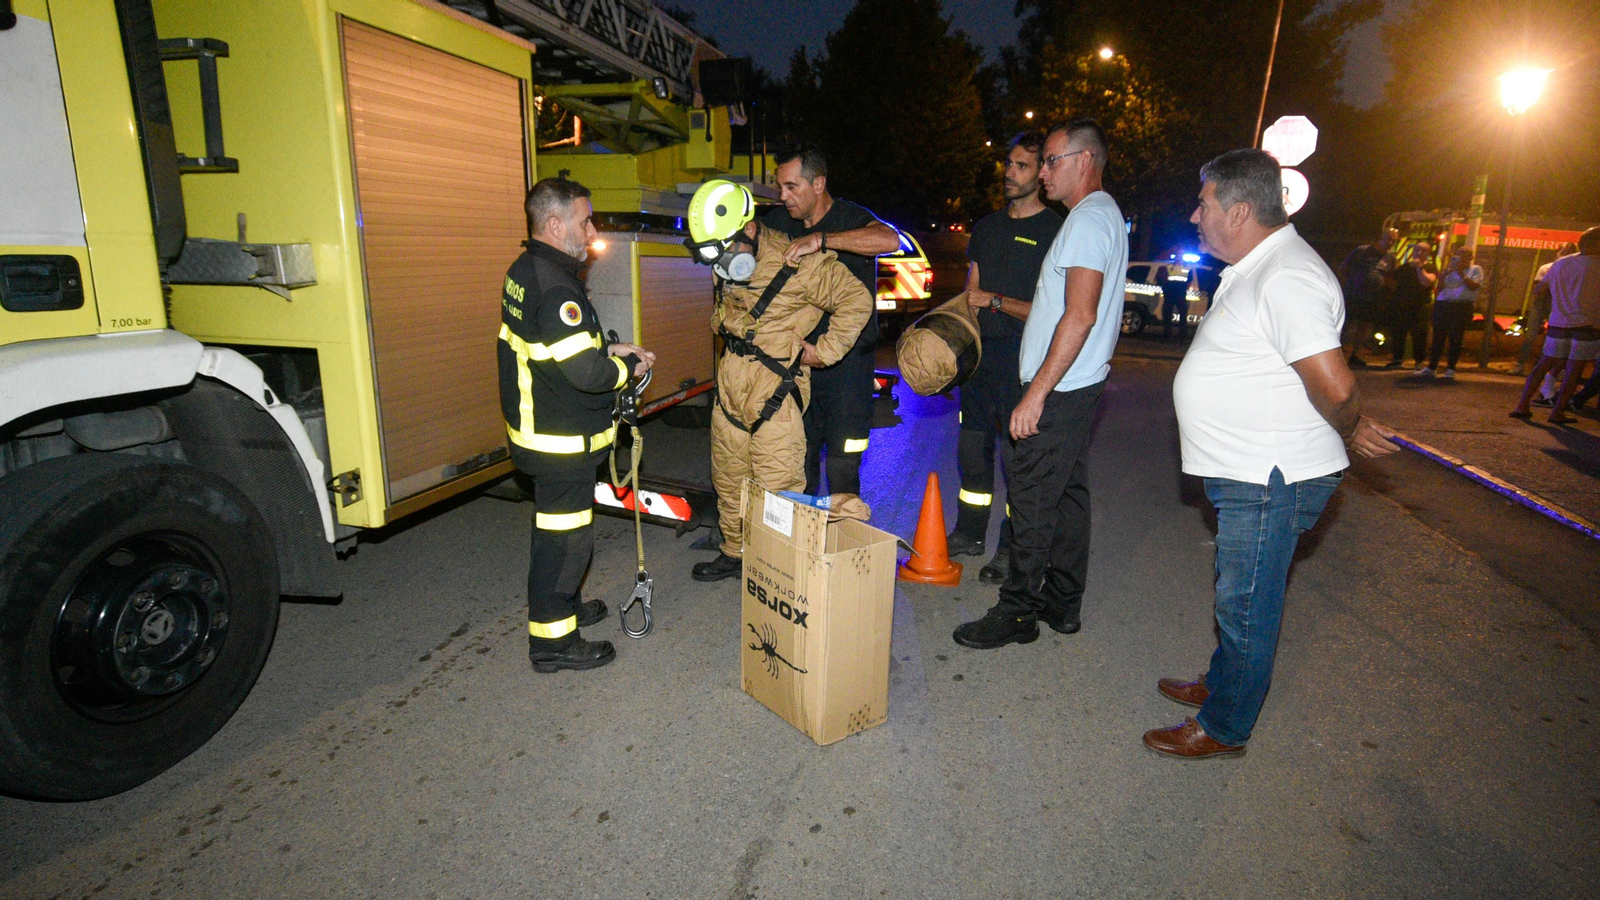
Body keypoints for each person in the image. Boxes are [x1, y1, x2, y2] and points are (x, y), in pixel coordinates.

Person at [1146, 149, 1399, 759]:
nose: (1195, 214)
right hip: (1254, 469)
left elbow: (1336, 386)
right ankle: (1222, 681)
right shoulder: (1263, 267)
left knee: (1247, 602)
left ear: (1237, 209)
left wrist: (1351, 422)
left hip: (1270, 476)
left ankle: (1225, 724)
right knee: (1242, 592)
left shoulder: (1287, 276)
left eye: (1203, 203)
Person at [951, 118, 1128, 650]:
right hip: (1080, 385)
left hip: (1062, 388)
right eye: (1042, 161)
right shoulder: (1098, 216)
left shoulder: (1088, 221)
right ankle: (1062, 603)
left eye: (1052, 160)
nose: (1044, 172)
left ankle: (1018, 610)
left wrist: (1035, 393)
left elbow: (1079, 315)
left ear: (1085, 161)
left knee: (1029, 499)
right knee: (1069, 496)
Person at [499, 178, 655, 672]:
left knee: (559, 532)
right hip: (557, 439)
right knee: (566, 540)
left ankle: (563, 608)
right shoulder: (556, 286)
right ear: (554, 223)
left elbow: (558, 352)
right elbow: (586, 373)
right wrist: (628, 368)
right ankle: (552, 642)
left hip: (545, 429)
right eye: (584, 220)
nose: (590, 231)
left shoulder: (531, 271)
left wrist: (612, 349)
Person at [686, 180, 873, 582]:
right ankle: (734, 552)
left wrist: (822, 351)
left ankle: (776, 570)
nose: (725, 263)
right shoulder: (730, 260)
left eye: (728, 249)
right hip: (731, 391)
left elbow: (857, 302)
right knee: (729, 481)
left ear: (749, 229)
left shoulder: (799, 261)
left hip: (775, 396)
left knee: (777, 493)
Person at [948, 131, 1062, 585]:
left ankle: (1010, 548)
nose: (1009, 173)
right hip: (979, 359)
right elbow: (968, 293)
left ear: (1041, 174)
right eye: (1008, 164)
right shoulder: (987, 227)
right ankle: (969, 532)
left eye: (1021, 166)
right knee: (972, 452)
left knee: (1018, 463)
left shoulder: (1054, 230)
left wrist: (993, 301)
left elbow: (1055, 311)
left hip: (1024, 360)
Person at [757, 145, 900, 499]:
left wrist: (822, 241)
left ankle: (843, 541)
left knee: (843, 461)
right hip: (797, 363)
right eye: (780, 187)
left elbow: (889, 238)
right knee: (798, 458)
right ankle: (802, 547)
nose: (783, 196)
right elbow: (749, 236)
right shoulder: (780, 222)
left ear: (818, 183)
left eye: (792, 187)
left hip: (847, 367)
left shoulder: (850, 217)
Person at [1511, 227, 1600, 425]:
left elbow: (1539, 290)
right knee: (1573, 370)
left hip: (1559, 322)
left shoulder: (1560, 263)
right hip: (1587, 324)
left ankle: (1522, 404)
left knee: (1543, 364)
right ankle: (1557, 411)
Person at [1415, 246, 1482, 380]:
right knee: (1438, 336)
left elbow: (1474, 286)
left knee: (1455, 337)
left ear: (1471, 257)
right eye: (1459, 255)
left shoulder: (1476, 269)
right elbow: (1439, 288)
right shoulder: (1449, 269)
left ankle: (1451, 368)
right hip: (1444, 304)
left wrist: (1461, 272)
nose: (1461, 258)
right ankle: (1432, 367)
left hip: (1461, 305)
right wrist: (1445, 274)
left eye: (1465, 255)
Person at [1514, 241, 1577, 377]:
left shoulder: (1573, 270)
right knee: (1530, 336)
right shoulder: (1547, 268)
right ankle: (1520, 365)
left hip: (1559, 304)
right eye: (1564, 251)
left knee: (1555, 338)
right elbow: (1538, 290)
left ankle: (1544, 367)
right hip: (1542, 303)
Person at [1337, 228, 1398, 368]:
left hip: (1373, 299)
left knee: (1363, 327)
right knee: (1346, 324)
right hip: (1354, 295)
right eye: (1388, 238)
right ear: (1381, 237)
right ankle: (1336, 354)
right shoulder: (1363, 251)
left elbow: (1390, 278)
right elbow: (1343, 268)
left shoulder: (1390, 258)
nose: (1390, 242)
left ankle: (1355, 355)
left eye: (1393, 240)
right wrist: (1350, 284)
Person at [1384, 242, 1437, 369]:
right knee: (1399, 333)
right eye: (1417, 250)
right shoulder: (1404, 267)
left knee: (1419, 334)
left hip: (1420, 307)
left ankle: (1419, 361)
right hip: (1402, 306)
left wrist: (1419, 268)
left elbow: (1427, 282)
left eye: (1423, 251)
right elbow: (1391, 281)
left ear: (1428, 253)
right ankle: (1397, 359)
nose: (1419, 252)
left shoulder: (1430, 268)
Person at [1157, 263, 1192, 342]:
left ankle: (1182, 337)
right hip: (1170, 294)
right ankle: (1167, 336)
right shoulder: (1168, 266)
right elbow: (1161, 278)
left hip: (1180, 295)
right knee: (1167, 316)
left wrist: (1184, 289)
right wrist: (1165, 289)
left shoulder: (1188, 268)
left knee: (1183, 317)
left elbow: (1190, 281)